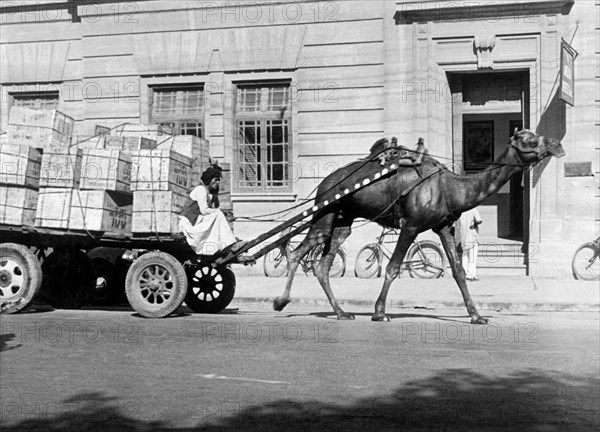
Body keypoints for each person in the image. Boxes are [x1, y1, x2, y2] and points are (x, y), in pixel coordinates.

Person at [179, 164, 247, 257]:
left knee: (218, 214)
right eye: (216, 180)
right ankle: (231, 244)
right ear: (209, 180)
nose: (218, 182)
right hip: (189, 224)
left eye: (219, 180)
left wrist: (223, 214)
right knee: (218, 214)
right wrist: (219, 212)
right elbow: (204, 210)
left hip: (195, 222)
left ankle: (226, 243)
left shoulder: (207, 193)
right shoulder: (200, 189)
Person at [455, 207, 483, 281]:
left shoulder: (462, 211)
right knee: (472, 257)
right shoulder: (474, 210)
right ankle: (471, 275)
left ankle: (464, 273)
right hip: (472, 236)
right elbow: (479, 220)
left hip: (464, 237)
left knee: (465, 256)